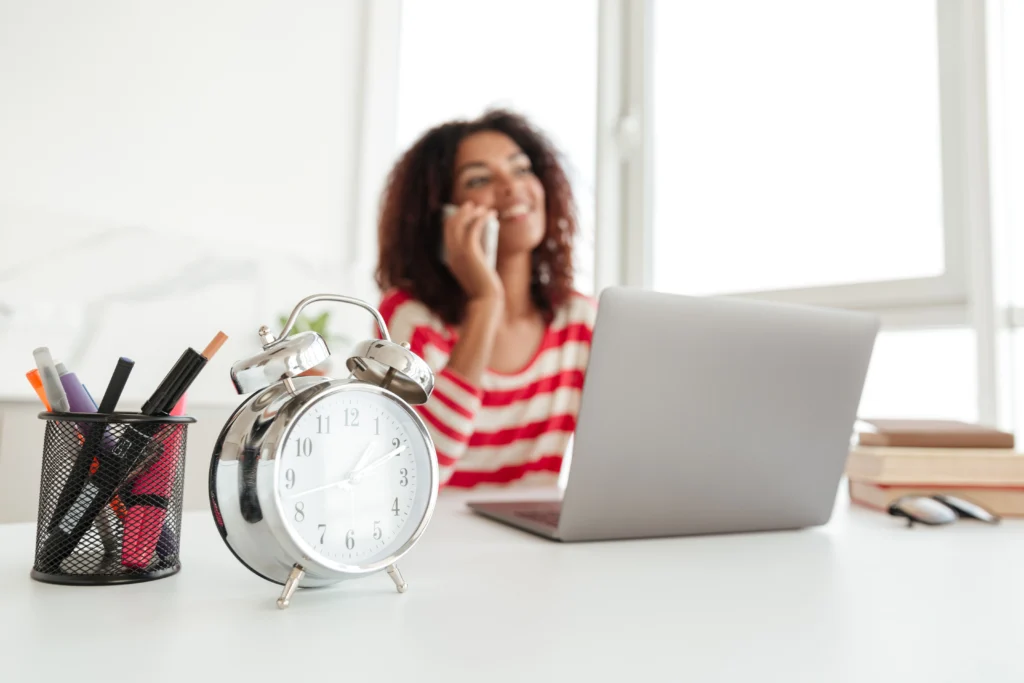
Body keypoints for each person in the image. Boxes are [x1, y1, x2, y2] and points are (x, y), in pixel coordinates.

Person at [374, 109, 596, 489]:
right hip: (439, 543)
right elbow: (420, 472)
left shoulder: (578, 321)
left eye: (522, 169)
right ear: (443, 215)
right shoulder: (410, 319)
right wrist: (486, 301)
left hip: (538, 542)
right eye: (479, 179)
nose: (512, 188)